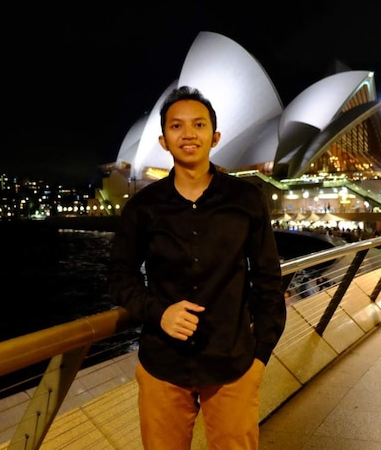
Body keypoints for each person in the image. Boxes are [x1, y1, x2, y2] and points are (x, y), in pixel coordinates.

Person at [107, 86, 286, 450]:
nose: (188, 134)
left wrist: (260, 358)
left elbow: (268, 280)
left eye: (198, 125)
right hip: (163, 366)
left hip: (233, 365)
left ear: (215, 136)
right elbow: (119, 276)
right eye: (176, 126)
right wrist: (159, 312)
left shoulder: (246, 199)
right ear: (163, 140)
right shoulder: (144, 207)